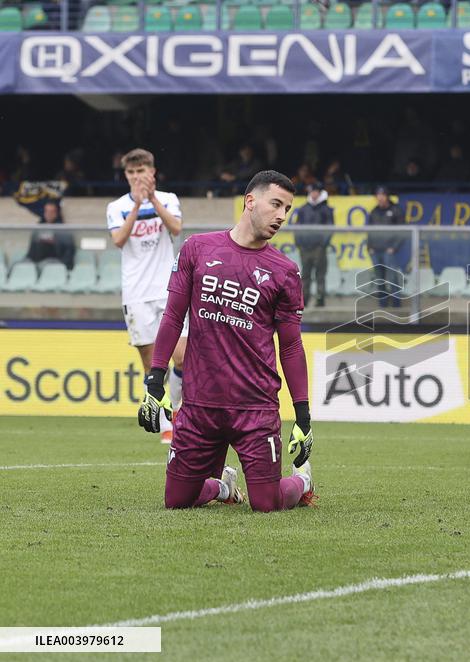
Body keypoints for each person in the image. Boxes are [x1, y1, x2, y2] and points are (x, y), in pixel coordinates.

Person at [137, 170, 316, 513]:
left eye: (287, 209)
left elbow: (291, 347)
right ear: (250, 201)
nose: (281, 215)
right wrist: (155, 381)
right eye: (276, 204)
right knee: (177, 501)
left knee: (266, 504)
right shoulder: (197, 249)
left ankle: (303, 480)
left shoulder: (285, 271)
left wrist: (303, 417)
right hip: (199, 404)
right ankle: (223, 486)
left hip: (255, 408)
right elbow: (173, 317)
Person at [106, 148, 186, 445]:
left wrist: (152, 199)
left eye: (141, 171)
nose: (136, 177)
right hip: (136, 293)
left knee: (183, 358)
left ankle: (177, 413)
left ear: (152, 172)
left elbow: (176, 228)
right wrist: (138, 204)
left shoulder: (168, 199)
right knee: (152, 364)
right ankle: (166, 425)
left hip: (169, 289)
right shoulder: (117, 207)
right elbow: (118, 239)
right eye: (131, 172)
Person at [290, 183, 334, 308]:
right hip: (305, 248)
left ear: (319, 193)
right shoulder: (303, 209)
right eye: (312, 191)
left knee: (320, 274)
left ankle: (320, 299)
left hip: (318, 248)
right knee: (305, 275)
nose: (313, 194)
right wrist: (300, 244)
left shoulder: (326, 209)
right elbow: (297, 228)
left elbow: (330, 228)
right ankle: (305, 299)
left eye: (315, 191)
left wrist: (322, 245)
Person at [367, 186, 406, 307]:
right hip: (375, 250)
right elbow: (370, 231)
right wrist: (370, 247)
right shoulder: (374, 211)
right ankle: (383, 303)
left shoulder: (396, 210)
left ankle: (396, 302)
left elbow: (402, 232)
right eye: (378, 195)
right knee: (379, 278)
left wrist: (394, 247)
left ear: (387, 196)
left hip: (389, 250)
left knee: (392, 276)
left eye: (382, 195)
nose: (380, 198)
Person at [27, 201, 75, 269]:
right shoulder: (38, 229)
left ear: (56, 213)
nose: (48, 214)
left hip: (56, 263)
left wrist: (63, 265)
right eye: (46, 211)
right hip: (37, 262)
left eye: (51, 212)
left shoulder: (63, 230)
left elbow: (68, 252)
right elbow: (31, 251)